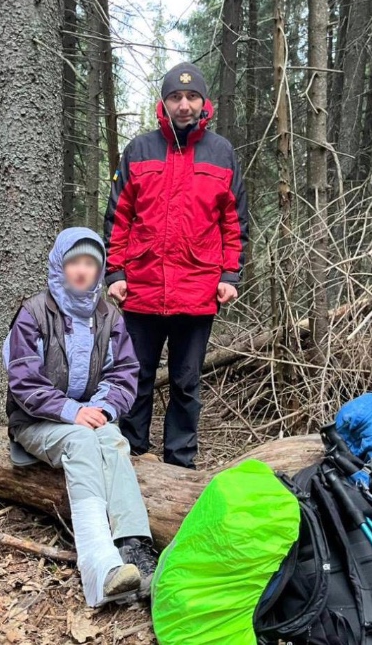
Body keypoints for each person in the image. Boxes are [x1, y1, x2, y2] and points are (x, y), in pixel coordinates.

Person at [103, 62, 249, 468]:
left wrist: (229, 275)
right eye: (175, 97)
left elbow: (234, 221)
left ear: (205, 103)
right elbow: (118, 216)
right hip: (143, 290)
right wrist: (115, 273)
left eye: (191, 97)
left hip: (198, 292)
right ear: (162, 103)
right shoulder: (139, 150)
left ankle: (179, 464)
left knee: (187, 384)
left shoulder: (221, 152)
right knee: (136, 377)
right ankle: (131, 454)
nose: (183, 105)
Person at [3, 228, 158, 607]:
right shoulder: (33, 313)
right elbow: (23, 380)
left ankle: (134, 547)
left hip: (90, 415)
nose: (83, 271)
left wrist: (103, 409)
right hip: (35, 420)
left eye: (91, 263)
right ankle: (99, 564)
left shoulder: (108, 315)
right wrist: (71, 411)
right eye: (75, 262)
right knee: (82, 440)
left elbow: (123, 373)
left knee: (112, 439)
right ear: (60, 265)